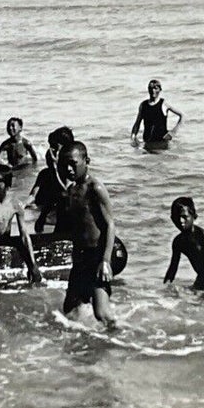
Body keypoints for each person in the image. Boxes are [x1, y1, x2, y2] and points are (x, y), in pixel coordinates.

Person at [59, 141, 119, 330]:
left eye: (73, 163)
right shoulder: (72, 190)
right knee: (70, 309)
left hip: (98, 254)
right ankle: (86, 342)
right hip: (81, 256)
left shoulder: (95, 188)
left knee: (101, 313)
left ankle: (121, 340)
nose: (69, 169)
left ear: (87, 161)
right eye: (64, 164)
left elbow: (110, 224)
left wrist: (106, 261)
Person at [0, 163, 43, 288]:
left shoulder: (15, 204)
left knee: (20, 243)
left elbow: (24, 235)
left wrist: (33, 264)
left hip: (7, 240)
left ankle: (32, 271)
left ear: (7, 186)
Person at [163, 196, 204, 294]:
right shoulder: (178, 242)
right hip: (202, 278)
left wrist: (201, 289)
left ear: (193, 216)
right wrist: (166, 286)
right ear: (172, 219)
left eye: (184, 217)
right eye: (177, 217)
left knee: (201, 305)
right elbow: (173, 268)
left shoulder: (203, 236)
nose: (180, 221)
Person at [31, 125, 74, 234]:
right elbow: (35, 196)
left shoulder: (71, 173)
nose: (50, 150)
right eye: (50, 146)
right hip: (49, 212)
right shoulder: (45, 174)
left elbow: (65, 196)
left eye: (55, 146)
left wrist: (54, 168)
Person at [132, 79, 182, 145]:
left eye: (155, 88)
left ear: (160, 90)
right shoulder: (143, 105)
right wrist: (133, 138)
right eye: (151, 88)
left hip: (162, 143)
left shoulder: (164, 104)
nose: (153, 91)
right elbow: (137, 123)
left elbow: (182, 116)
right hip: (147, 142)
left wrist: (173, 132)